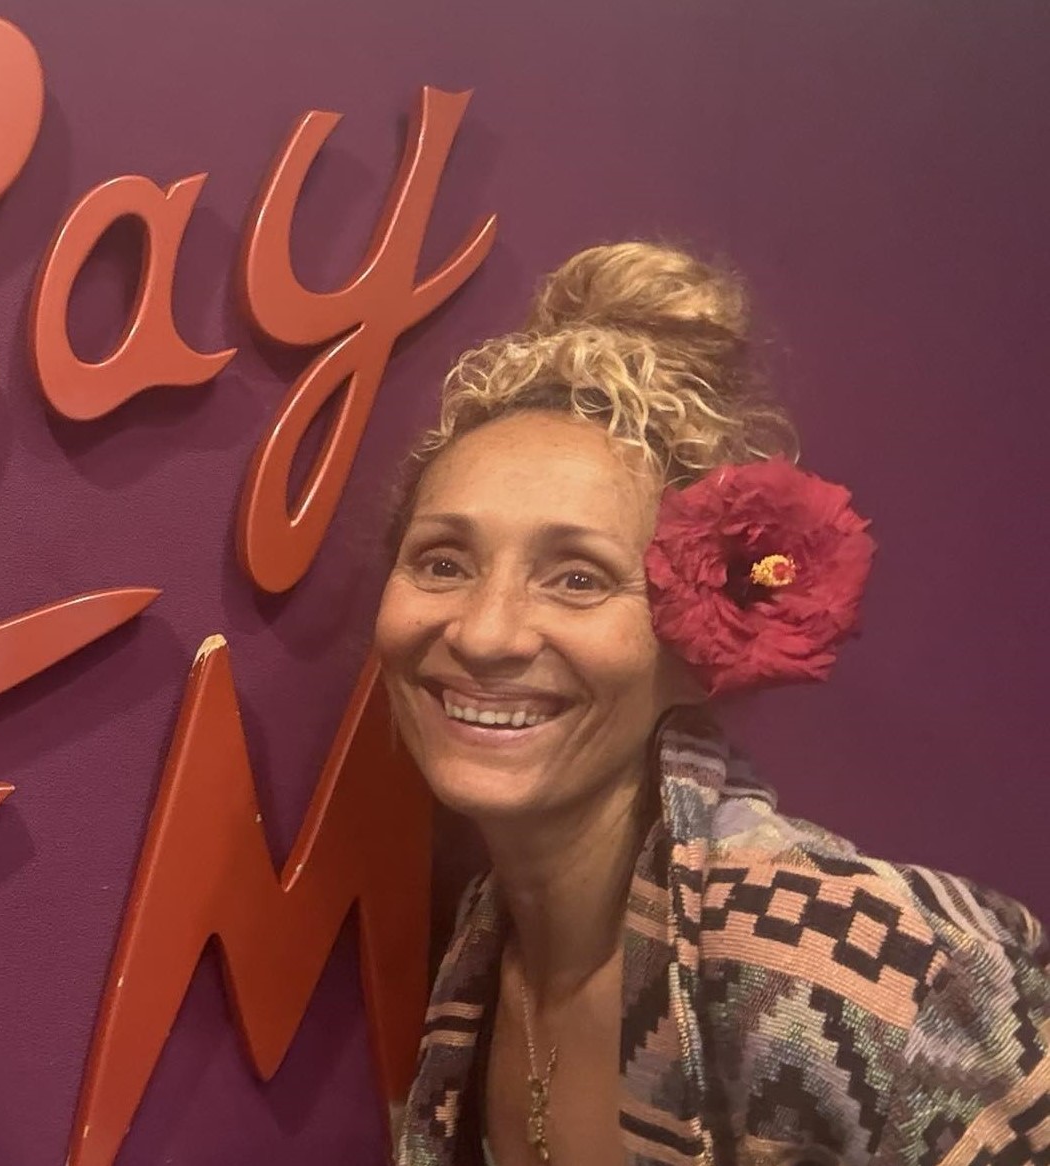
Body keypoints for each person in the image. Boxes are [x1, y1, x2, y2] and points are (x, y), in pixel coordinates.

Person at [375, 243, 1050, 1166]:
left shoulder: (860, 966)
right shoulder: (481, 962)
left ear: (701, 639)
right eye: (444, 562)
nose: (487, 633)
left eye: (578, 578)